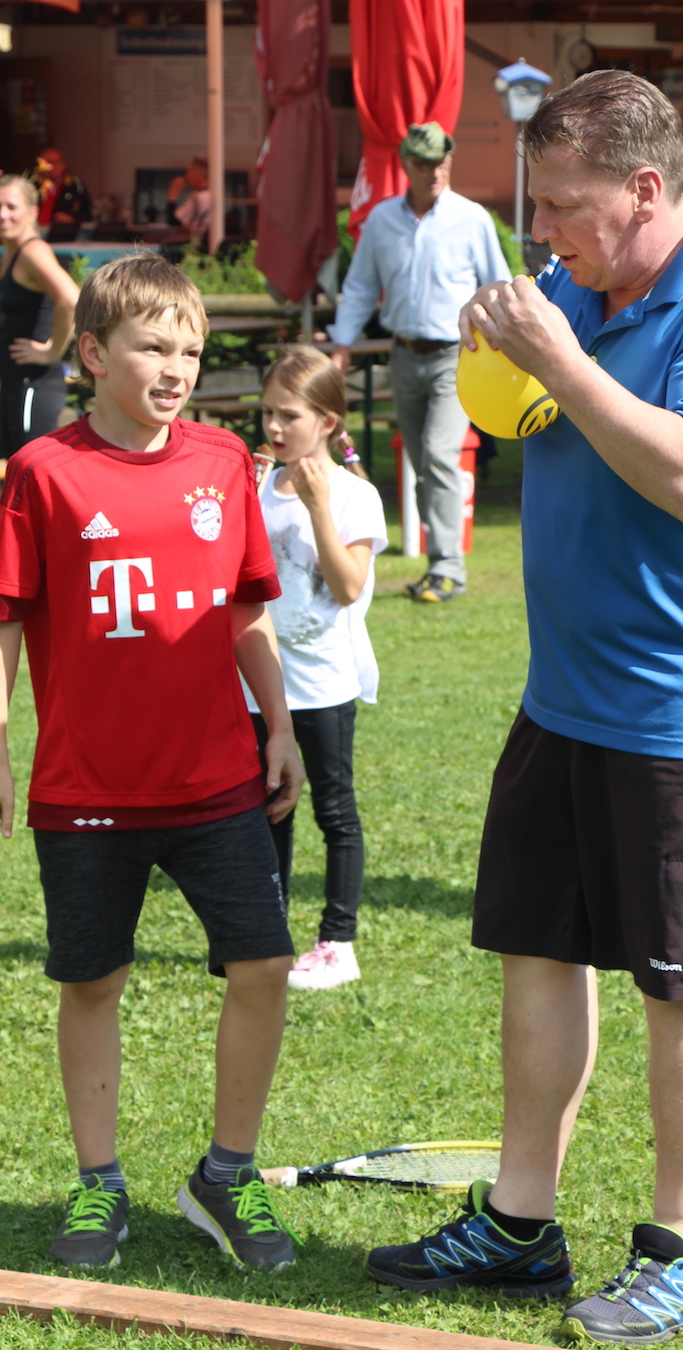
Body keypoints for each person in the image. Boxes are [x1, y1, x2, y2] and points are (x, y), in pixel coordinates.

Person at [364, 71, 683, 1344]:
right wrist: (499, 349)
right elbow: (519, 413)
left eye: (562, 204)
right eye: (536, 202)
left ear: (644, 189)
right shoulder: (575, 285)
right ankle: (519, 1223)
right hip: (564, 689)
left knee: (681, 980)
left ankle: (677, 1250)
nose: (540, 229)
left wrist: (556, 355)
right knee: (537, 946)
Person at [0, 254, 305, 1274]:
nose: (176, 368)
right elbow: (0, 622)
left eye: (190, 350)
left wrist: (280, 726)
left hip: (217, 778)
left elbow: (245, 611)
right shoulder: (43, 472)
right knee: (93, 981)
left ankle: (226, 1173)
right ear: (93, 354)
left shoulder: (224, 462)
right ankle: (98, 1180)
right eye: (154, 347)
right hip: (85, 789)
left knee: (264, 964)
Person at [245, 346, 387, 990]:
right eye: (267, 413)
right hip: (256, 686)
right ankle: (267, 938)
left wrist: (319, 505)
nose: (274, 428)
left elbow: (348, 586)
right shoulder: (255, 489)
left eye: (289, 415)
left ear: (328, 422)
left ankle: (338, 942)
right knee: (266, 808)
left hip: (323, 684)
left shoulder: (356, 496)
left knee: (334, 811)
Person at [329, 122, 509, 602]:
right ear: (406, 164)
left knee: (437, 453)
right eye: (425, 163)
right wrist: (342, 344)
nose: (435, 171)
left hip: (459, 354)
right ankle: (437, 565)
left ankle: (448, 567)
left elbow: (496, 284)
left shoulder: (472, 218)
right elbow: (361, 287)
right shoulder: (382, 220)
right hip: (403, 353)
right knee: (421, 461)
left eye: (442, 162)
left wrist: (501, 345)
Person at [0, 173, 81, 457]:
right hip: (14, 383)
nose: (2, 214)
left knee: (32, 470)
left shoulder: (33, 251)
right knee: (14, 470)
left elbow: (71, 298)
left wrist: (52, 351)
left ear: (31, 212)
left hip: (35, 384)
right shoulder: (11, 253)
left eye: (11, 207)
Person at [36, 147, 90, 239]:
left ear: (63, 164)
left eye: (54, 162)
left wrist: (71, 220)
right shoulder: (34, 185)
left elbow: (88, 215)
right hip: (37, 235)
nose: (50, 166)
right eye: (47, 162)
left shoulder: (74, 185)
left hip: (63, 236)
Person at [168, 156, 211, 247]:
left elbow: (173, 220)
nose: (187, 176)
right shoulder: (213, 194)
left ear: (200, 174)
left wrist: (173, 194)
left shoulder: (198, 196)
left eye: (190, 171)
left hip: (197, 247)